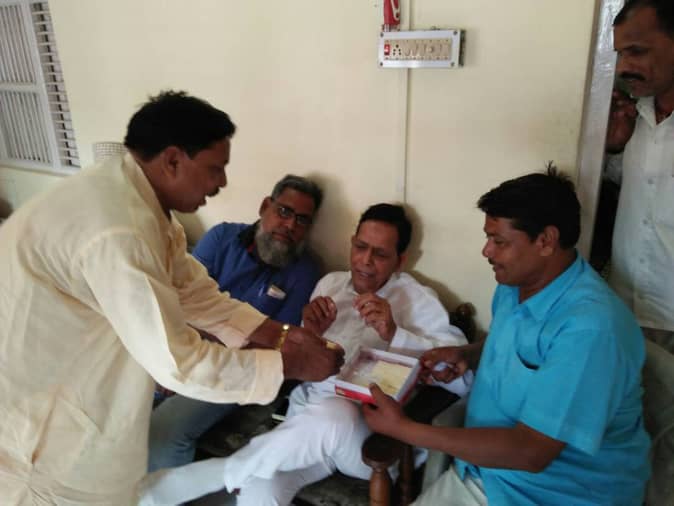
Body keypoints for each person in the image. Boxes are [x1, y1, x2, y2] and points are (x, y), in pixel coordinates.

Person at [0, 91, 343, 505]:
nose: (222, 182)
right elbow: (177, 362)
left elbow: (193, 290)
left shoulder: (137, 203)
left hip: (76, 393)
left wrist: (277, 333)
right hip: (39, 433)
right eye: (215, 168)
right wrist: (288, 362)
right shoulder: (120, 230)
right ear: (173, 160)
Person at [139, 203, 471, 506]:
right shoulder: (330, 285)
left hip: (369, 443)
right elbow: (300, 360)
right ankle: (238, 473)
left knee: (336, 413)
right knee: (260, 488)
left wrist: (394, 334)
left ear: (400, 260)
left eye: (380, 254)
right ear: (351, 243)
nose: (365, 261)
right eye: (360, 247)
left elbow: (462, 378)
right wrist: (310, 333)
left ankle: (224, 472)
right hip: (306, 428)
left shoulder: (417, 300)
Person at [363, 168, 650, 505]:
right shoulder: (516, 286)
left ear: (545, 241)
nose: (487, 251)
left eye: (499, 241)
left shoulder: (590, 329)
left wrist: (404, 429)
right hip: (484, 472)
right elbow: (522, 348)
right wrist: (469, 355)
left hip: (549, 494)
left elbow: (532, 452)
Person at [149, 174, 323, 471]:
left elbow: (274, 345)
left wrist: (198, 369)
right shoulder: (222, 238)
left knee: (163, 437)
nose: (291, 225)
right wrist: (179, 360)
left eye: (302, 220)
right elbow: (179, 303)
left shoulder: (304, 273)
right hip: (181, 348)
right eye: (284, 211)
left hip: (233, 371)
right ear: (265, 206)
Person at [605, 0, 674, 352]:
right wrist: (615, 147)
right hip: (625, 307)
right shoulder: (634, 116)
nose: (623, 67)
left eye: (637, 51)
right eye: (620, 53)